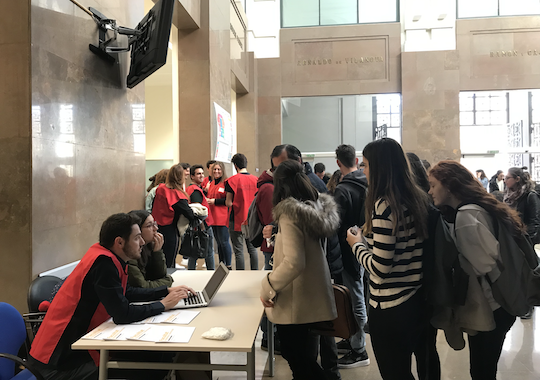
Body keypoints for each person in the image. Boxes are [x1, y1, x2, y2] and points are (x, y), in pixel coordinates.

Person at [28, 213, 194, 380]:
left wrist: (165, 292)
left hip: (74, 350)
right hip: (58, 364)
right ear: (119, 242)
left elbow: (126, 293)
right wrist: (163, 305)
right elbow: (122, 314)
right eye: (137, 238)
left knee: (159, 357)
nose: (143, 242)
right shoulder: (103, 264)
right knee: (152, 365)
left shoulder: (108, 257)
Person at [428, 160, 521, 380]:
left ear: (449, 185)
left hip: (493, 304)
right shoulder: (479, 207)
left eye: (433, 185)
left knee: (481, 370)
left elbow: (483, 265)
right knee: (485, 367)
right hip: (503, 301)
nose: (430, 191)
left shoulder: (466, 216)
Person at [346, 138, 430, 380]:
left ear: (380, 168)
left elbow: (380, 268)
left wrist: (356, 245)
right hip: (415, 299)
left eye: (366, 165)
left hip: (390, 307)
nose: (364, 170)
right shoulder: (415, 198)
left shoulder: (385, 205)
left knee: (395, 373)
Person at [260, 159, 340, 380]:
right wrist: (279, 239)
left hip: (297, 298)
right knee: (303, 357)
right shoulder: (314, 205)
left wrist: (267, 286)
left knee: (296, 357)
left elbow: (294, 262)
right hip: (312, 292)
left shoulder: (289, 211)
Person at [333, 144, 370, 369]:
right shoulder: (367, 184)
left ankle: (359, 349)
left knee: (354, 296)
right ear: (356, 160)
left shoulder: (343, 190)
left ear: (338, 163)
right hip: (364, 245)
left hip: (348, 249)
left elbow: (334, 223)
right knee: (357, 292)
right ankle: (352, 340)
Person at [504, 166, 540, 320]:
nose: (505, 180)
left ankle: (528, 305)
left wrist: (526, 239)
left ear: (517, 179)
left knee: (527, 273)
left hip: (525, 239)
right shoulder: (508, 195)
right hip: (512, 239)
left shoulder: (530, 196)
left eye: (508, 178)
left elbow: (535, 221)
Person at [152, 163, 196, 267]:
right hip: (169, 230)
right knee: (169, 261)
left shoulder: (160, 189)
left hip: (156, 228)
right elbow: (190, 214)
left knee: (157, 259)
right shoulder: (177, 195)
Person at [225, 153, 259, 270]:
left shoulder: (231, 181)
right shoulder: (256, 180)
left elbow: (228, 203)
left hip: (236, 219)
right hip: (251, 220)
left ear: (235, 165)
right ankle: (255, 273)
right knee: (252, 249)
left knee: (239, 252)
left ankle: (240, 274)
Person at [126, 210, 173, 288]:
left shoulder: (148, 246)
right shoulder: (130, 252)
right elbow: (142, 286)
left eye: (154, 224)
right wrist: (168, 281)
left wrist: (157, 252)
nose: (156, 228)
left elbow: (160, 276)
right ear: (137, 230)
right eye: (149, 226)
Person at [186, 164, 216, 270]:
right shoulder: (195, 191)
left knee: (194, 253)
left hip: (197, 226)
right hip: (204, 226)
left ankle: (190, 272)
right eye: (198, 174)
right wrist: (203, 228)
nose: (201, 176)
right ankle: (211, 273)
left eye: (203, 173)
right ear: (192, 176)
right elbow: (197, 211)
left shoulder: (192, 188)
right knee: (209, 253)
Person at [207, 161, 233, 269]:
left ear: (222, 171)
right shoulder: (212, 183)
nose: (216, 171)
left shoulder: (226, 183)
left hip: (222, 217)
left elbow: (228, 200)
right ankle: (222, 264)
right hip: (213, 217)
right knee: (218, 243)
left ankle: (229, 265)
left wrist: (215, 201)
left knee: (224, 242)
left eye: (219, 169)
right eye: (215, 169)